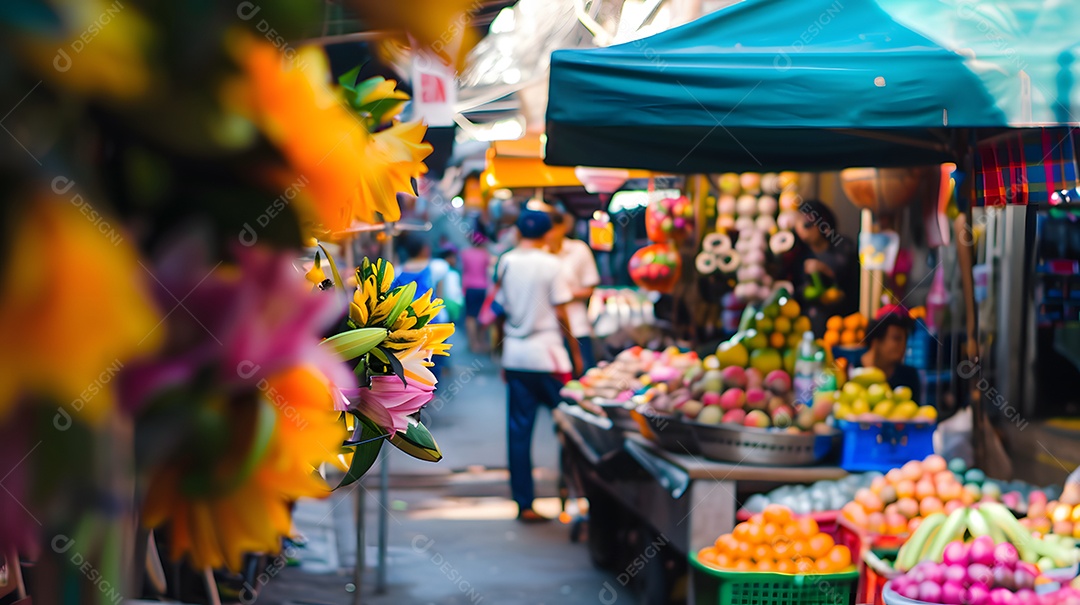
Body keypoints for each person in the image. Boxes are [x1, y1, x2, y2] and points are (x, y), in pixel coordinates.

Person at [496, 205, 583, 523]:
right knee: (572, 428)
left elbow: (501, 309)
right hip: (548, 357)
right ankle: (574, 497)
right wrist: (575, 352)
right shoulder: (552, 265)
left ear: (519, 232)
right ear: (549, 233)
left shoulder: (506, 262)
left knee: (519, 432)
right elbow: (562, 314)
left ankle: (525, 503)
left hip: (517, 357)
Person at [792, 199, 860, 335]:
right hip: (807, 331)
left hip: (842, 329)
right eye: (797, 224)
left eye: (807, 224)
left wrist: (825, 272)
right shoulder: (796, 254)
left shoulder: (843, 248)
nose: (802, 230)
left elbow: (853, 288)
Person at [393, 235, 451, 382]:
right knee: (433, 360)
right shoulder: (437, 267)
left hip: (406, 324)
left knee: (413, 363)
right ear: (425, 249)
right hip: (432, 323)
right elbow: (441, 295)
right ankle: (431, 390)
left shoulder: (398, 270)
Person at [550, 210, 601, 374]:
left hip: (577, 326)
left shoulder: (578, 250)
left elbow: (589, 288)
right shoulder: (538, 254)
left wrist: (562, 294)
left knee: (583, 376)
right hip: (548, 332)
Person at [854, 306, 923, 398]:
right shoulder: (852, 371)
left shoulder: (909, 377)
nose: (903, 346)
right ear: (876, 341)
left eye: (905, 339)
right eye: (897, 338)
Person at [460, 232, 492, 352]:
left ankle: (473, 343)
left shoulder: (464, 253)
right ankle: (481, 341)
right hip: (483, 287)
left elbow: (462, 269)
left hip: (469, 287)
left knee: (470, 316)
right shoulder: (485, 254)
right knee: (482, 315)